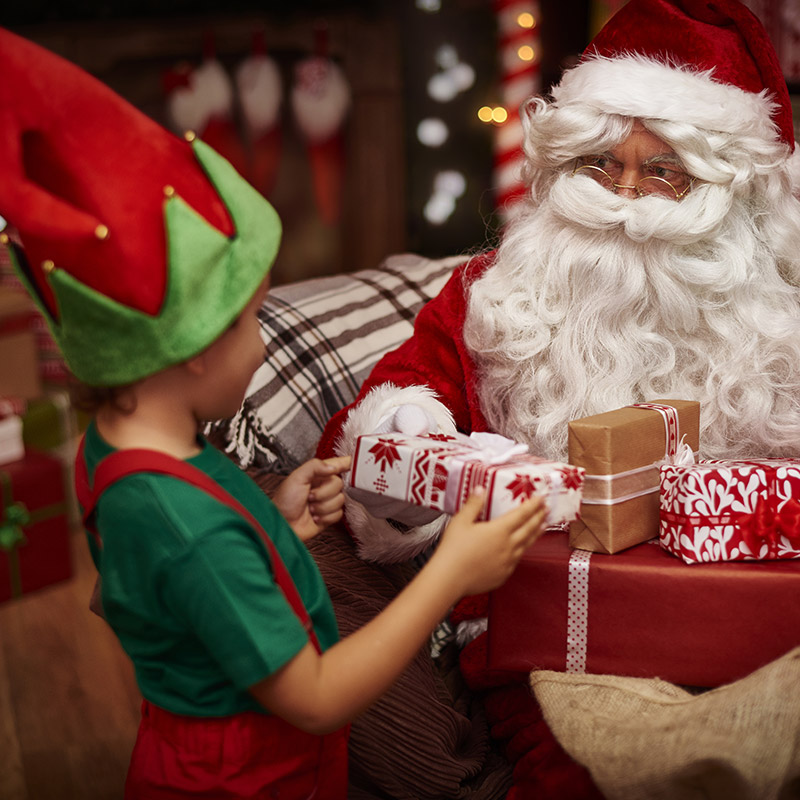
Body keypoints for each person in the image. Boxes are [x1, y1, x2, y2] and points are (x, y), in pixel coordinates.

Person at [0, 27, 548, 799]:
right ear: (193, 347)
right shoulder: (190, 528)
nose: (264, 344)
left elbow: (191, 593)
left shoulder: (117, 452)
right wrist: (452, 570)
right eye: (254, 320)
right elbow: (317, 697)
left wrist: (277, 522)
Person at [317, 0, 800, 795]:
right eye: (601, 165)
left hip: (748, 633)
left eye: (664, 172)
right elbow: (388, 411)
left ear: (731, 193)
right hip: (550, 646)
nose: (626, 199)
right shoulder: (494, 296)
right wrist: (418, 440)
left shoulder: (776, 316)